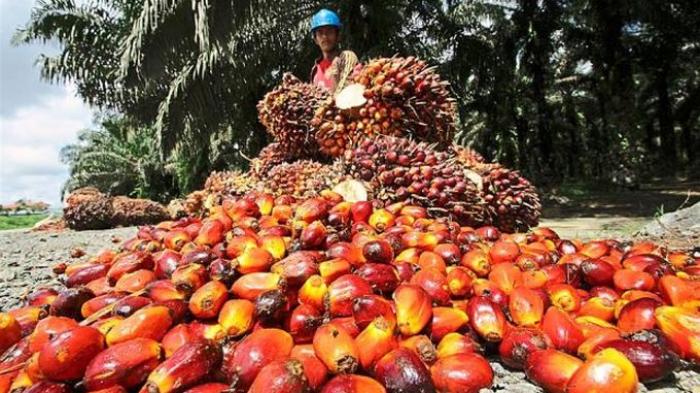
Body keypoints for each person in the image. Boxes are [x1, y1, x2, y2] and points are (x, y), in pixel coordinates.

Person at [309, 9, 359, 95]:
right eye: (320, 32)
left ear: (338, 36)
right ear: (315, 39)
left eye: (329, 31)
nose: (325, 37)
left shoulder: (347, 58)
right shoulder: (315, 71)